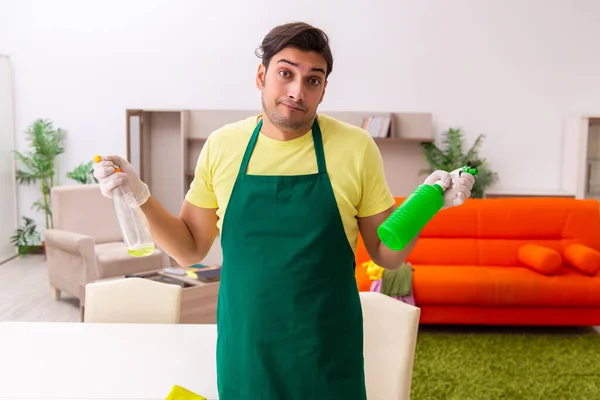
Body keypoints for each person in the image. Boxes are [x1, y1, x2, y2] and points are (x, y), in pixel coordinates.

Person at [93, 21, 475, 400]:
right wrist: (139, 194)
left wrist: (427, 205)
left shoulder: (355, 148)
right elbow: (190, 248)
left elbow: (386, 255)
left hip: (325, 349)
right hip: (245, 348)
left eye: (313, 80)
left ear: (324, 90)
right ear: (261, 75)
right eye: (285, 73)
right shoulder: (222, 145)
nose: (297, 91)